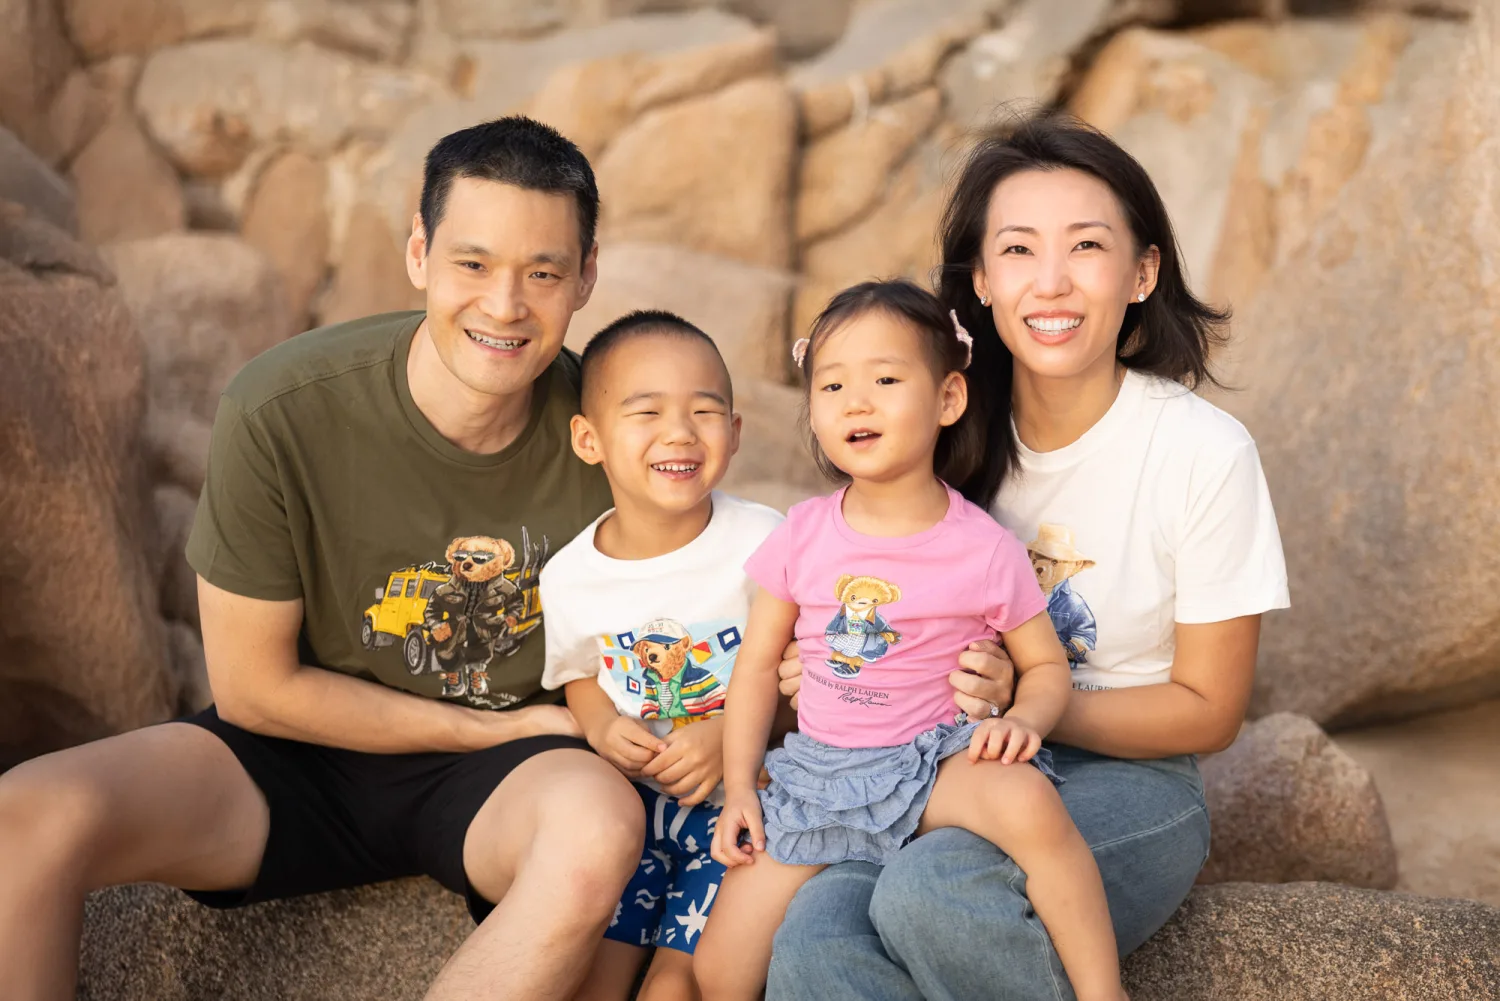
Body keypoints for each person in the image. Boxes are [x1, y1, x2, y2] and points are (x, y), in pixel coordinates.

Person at [0, 117, 647, 1001]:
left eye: (543, 273)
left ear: (586, 277)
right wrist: (482, 725)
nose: (504, 305)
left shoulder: (614, 431)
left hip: (508, 776)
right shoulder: (282, 407)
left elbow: (720, 582)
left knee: (598, 833)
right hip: (300, 753)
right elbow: (257, 689)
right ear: (418, 252)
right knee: (30, 812)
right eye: (473, 264)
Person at [766, 111, 1290, 1000]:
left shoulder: (1203, 451)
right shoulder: (936, 429)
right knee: (813, 936)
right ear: (979, 279)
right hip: (927, 769)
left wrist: (1028, 702)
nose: (1051, 282)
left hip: (1127, 779)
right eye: (1017, 251)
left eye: (1087, 246)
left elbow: (1209, 710)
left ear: (1142, 271)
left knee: (936, 891)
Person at [696, 280, 1127, 1001]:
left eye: (886, 379)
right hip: (818, 780)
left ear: (948, 400)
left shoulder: (984, 547)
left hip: (933, 763)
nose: (855, 402)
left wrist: (1024, 719)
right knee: (720, 968)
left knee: (1029, 805)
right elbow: (757, 668)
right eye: (832, 385)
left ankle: (1100, 989)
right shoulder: (801, 533)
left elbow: (1046, 664)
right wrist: (741, 783)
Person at [537, 310, 784, 1001]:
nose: (679, 432)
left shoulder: (764, 542)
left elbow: (801, 674)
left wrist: (729, 731)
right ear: (589, 439)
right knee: (601, 966)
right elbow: (580, 673)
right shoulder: (570, 576)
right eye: (646, 412)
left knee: (677, 981)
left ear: (733, 433)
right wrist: (597, 725)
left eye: (704, 412)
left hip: (741, 807)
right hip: (631, 808)